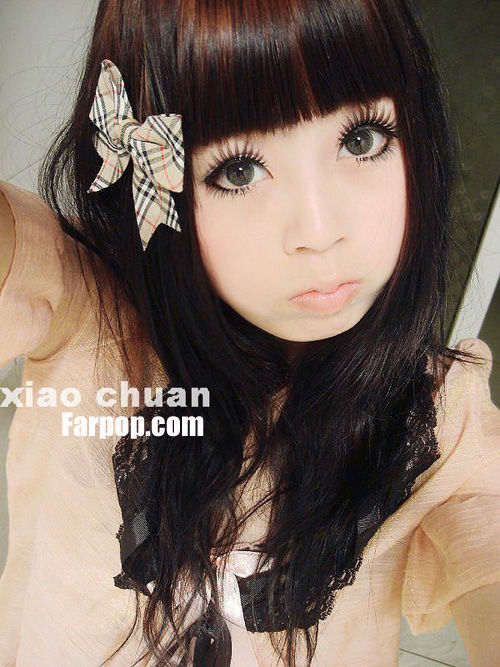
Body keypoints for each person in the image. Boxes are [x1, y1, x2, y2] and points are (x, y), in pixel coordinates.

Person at [0, 0, 499, 665]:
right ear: (157, 182)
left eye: (361, 140)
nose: (320, 231)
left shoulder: (435, 414)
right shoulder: (85, 310)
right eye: (238, 170)